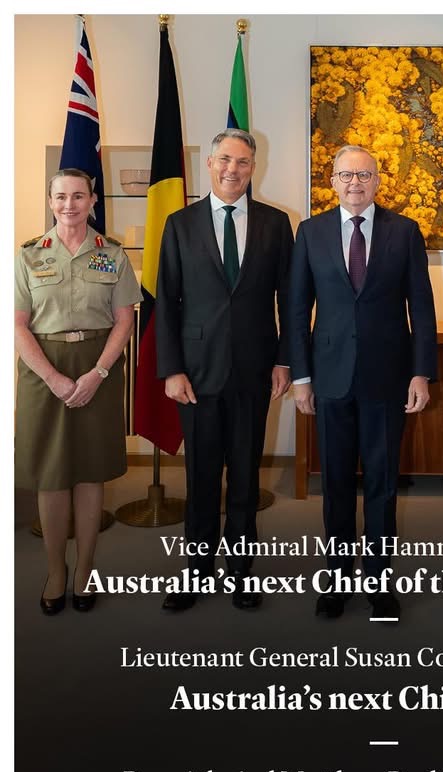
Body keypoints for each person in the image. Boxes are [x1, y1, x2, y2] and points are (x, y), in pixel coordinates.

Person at [288, 144, 437, 620]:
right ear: (332, 181)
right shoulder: (310, 232)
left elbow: (422, 309)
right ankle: (336, 580)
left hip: (386, 379)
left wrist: (420, 372)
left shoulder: (404, 231)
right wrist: (301, 377)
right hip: (328, 378)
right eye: (346, 175)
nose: (355, 183)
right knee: (334, 484)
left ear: (377, 180)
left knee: (382, 483)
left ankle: (377, 580)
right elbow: (296, 310)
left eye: (364, 175)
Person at [155, 129, 293, 612]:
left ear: (254, 167)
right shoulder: (180, 224)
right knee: (201, 476)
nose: (233, 170)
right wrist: (171, 369)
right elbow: (167, 302)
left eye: (243, 162)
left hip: (255, 371)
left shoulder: (276, 224)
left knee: (245, 475)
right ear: (210, 164)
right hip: (196, 373)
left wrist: (285, 360)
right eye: (226, 160)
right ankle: (195, 572)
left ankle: (240, 571)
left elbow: (289, 300)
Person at [15, 168, 141, 615]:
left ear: (92, 201)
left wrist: (98, 373)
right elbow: (17, 325)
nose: (69, 205)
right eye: (60, 197)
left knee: (90, 471)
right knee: (51, 474)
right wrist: (54, 378)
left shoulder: (112, 254)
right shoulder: (28, 256)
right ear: (51, 202)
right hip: (43, 369)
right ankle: (55, 571)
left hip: (97, 368)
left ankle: (85, 569)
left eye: (78, 196)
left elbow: (125, 320)